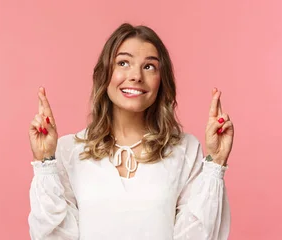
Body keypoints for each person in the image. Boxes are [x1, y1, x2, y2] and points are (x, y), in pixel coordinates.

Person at [28, 23, 234, 240]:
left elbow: (199, 235)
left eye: (149, 67)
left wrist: (216, 161)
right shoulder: (69, 150)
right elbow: (53, 236)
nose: (136, 75)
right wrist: (44, 162)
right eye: (123, 63)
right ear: (105, 73)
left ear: (161, 81)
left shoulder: (185, 149)